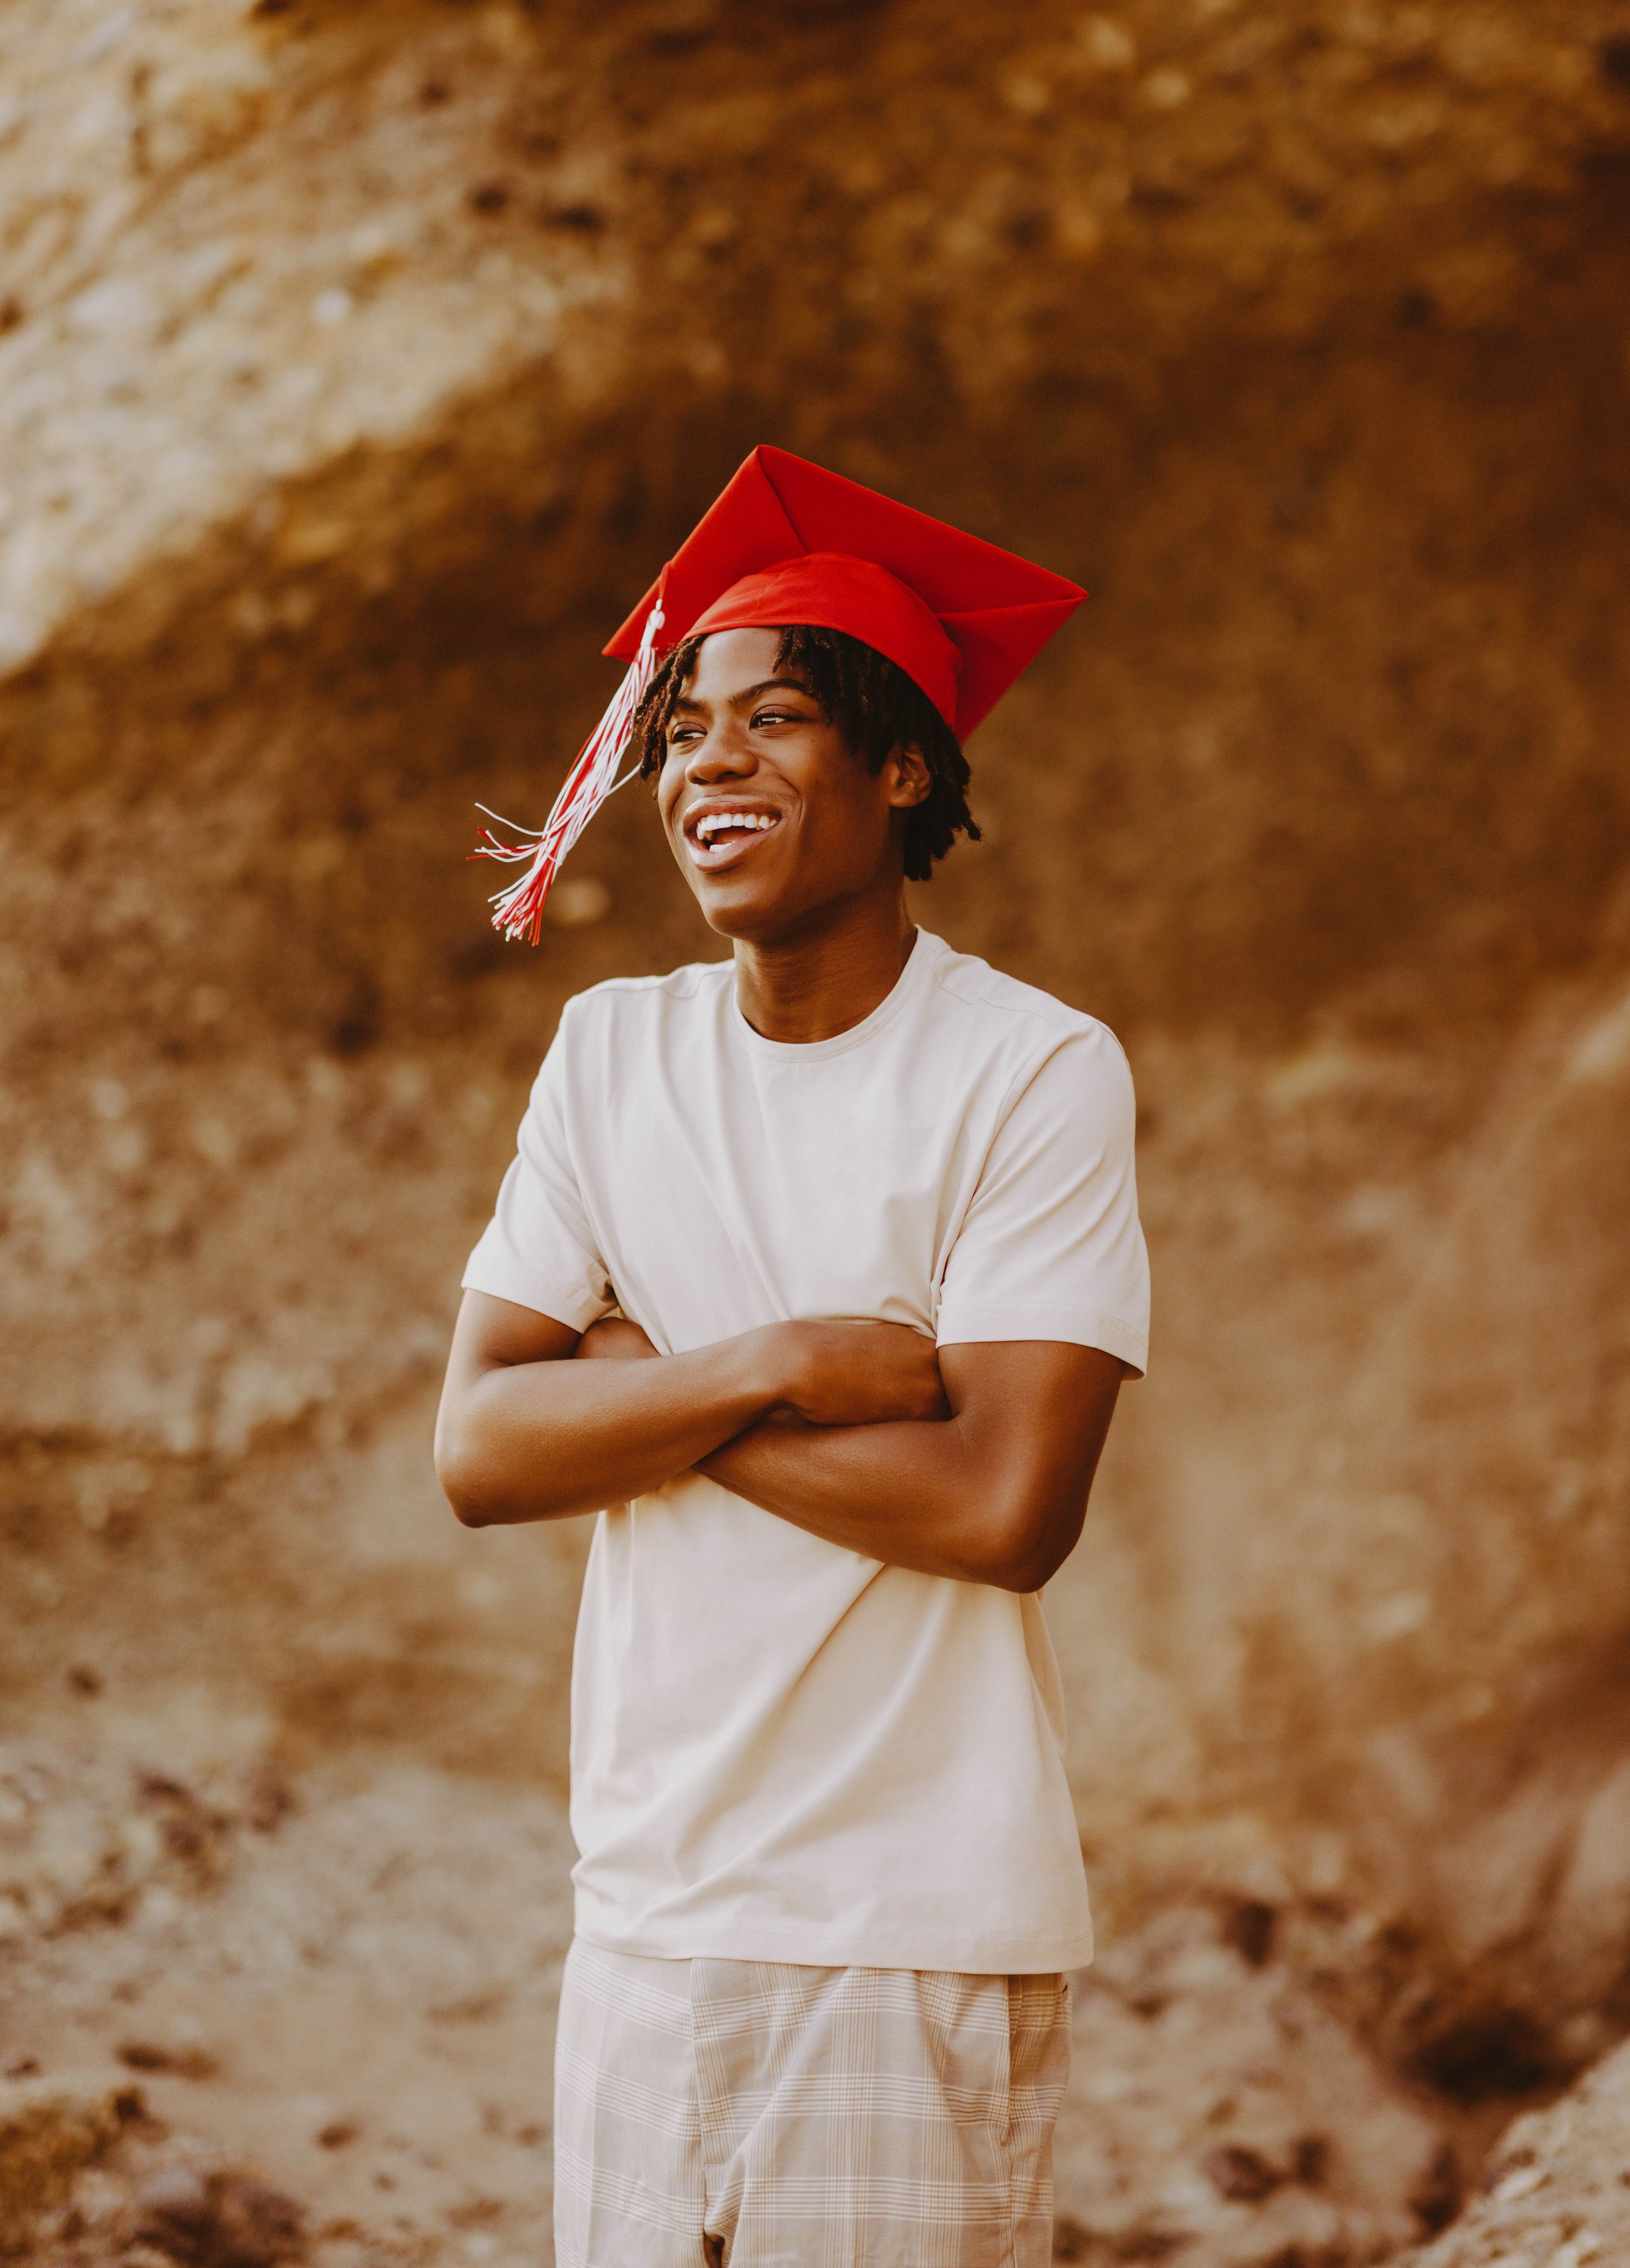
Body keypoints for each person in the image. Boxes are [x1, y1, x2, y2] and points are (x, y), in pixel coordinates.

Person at [434, 447, 1151, 2267]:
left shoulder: (1029, 1069)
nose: (705, 766)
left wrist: (642, 1380)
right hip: (645, 1925)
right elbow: (482, 1453)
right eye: (680, 731)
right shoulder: (612, 1054)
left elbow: (1002, 1505)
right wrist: (771, 1361)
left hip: (908, 1932)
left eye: (773, 720)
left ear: (900, 765)